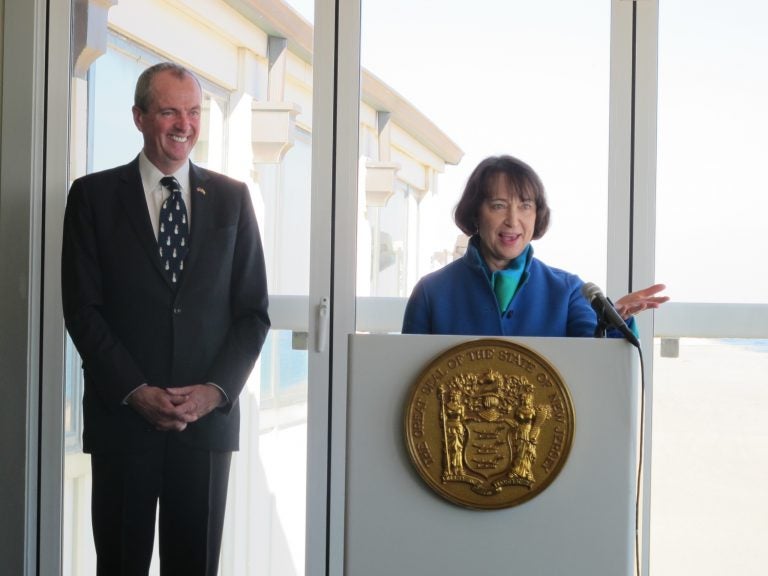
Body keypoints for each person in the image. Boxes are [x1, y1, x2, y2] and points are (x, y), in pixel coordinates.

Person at [61, 62, 270, 575]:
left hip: (205, 428)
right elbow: (82, 311)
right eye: (169, 111)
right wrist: (136, 390)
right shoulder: (92, 197)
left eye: (194, 111)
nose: (185, 124)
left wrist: (212, 392)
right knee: (120, 564)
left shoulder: (232, 199)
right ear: (138, 116)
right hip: (124, 423)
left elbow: (252, 315)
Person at [402, 155, 667, 337]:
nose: (513, 220)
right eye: (498, 206)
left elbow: (595, 362)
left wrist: (615, 320)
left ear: (537, 215)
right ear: (475, 213)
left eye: (525, 206)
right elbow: (408, 380)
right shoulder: (430, 293)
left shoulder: (569, 291)